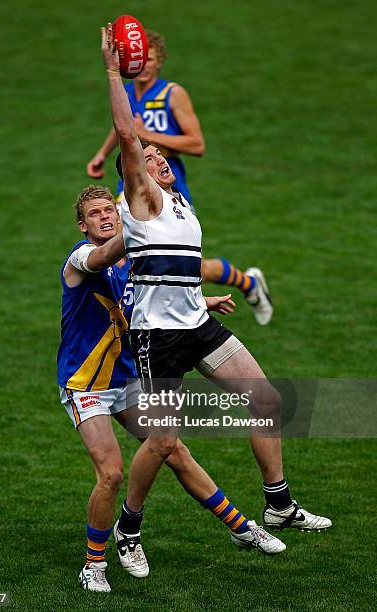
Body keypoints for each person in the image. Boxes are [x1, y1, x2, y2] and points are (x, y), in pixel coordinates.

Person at [100, 22, 331, 576]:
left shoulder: (179, 205)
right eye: (152, 155)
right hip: (159, 337)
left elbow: (169, 268)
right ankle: (128, 531)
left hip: (197, 322)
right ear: (138, 176)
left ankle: (278, 506)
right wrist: (113, 71)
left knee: (267, 400)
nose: (159, 157)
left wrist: (205, 298)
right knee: (161, 441)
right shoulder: (143, 200)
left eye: (159, 156)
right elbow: (129, 137)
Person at [57, 184, 286, 593]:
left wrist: (201, 302)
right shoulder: (79, 259)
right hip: (85, 385)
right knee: (110, 473)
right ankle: (93, 565)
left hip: (125, 378)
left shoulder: (132, 263)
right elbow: (104, 255)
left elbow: (162, 292)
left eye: (110, 210)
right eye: (96, 214)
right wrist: (142, 221)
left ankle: (241, 527)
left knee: (171, 447)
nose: (106, 217)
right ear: (82, 224)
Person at [87, 29, 273, 325]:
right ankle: (121, 319)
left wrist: (148, 136)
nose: (143, 64)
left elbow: (196, 144)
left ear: (160, 62)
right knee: (124, 255)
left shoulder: (173, 94)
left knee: (187, 268)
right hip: (133, 188)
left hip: (168, 190)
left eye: (150, 59)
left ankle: (248, 284)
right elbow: (123, 128)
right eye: (138, 58)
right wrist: (101, 153)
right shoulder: (131, 94)